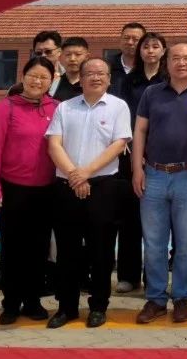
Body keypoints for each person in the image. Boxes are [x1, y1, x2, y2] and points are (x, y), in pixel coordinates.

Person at [44, 57, 131, 329]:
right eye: (90, 73)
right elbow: (54, 144)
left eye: (101, 73)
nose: (96, 77)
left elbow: (118, 144)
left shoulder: (118, 106)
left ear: (109, 79)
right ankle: (66, 307)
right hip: (66, 186)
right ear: (80, 79)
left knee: (101, 250)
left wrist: (86, 172)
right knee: (67, 250)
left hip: (103, 187)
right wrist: (75, 174)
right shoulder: (65, 107)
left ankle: (98, 306)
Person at [132, 42, 187, 325]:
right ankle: (155, 298)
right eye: (176, 58)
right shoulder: (152, 93)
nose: (181, 63)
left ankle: (181, 297)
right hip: (153, 174)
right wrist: (137, 168)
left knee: (186, 243)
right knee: (153, 243)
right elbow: (140, 130)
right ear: (167, 63)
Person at [0, 55, 59, 325]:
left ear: (52, 81)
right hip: (13, 190)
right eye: (33, 76)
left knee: (39, 248)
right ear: (23, 76)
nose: (37, 81)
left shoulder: (57, 108)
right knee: (13, 248)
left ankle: (33, 300)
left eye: (43, 77)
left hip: (46, 190)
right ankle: (11, 303)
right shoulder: (7, 108)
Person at [115, 30, 168, 294]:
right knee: (130, 217)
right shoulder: (129, 80)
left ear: (163, 51)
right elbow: (123, 113)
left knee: (157, 222)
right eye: (146, 46)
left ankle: (154, 277)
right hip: (130, 154)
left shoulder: (168, 80)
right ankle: (128, 275)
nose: (150, 51)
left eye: (155, 46)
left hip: (160, 155)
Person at [109, 21, 146, 89]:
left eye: (135, 39)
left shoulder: (148, 67)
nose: (130, 42)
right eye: (126, 38)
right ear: (120, 40)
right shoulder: (108, 66)